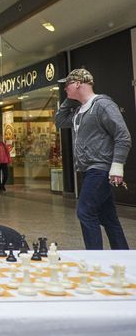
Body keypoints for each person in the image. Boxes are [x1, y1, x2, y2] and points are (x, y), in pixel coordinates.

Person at [55, 68, 130, 250]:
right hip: (87, 170)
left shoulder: (103, 105)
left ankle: (94, 257)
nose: (65, 88)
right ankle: (123, 255)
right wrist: (70, 98)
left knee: (85, 212)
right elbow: (59, 121)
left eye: (68, 85)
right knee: (108, 218)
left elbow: (123, 136)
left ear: (78, 83)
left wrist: (117, 166)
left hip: (100, 168)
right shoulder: (80, 110)